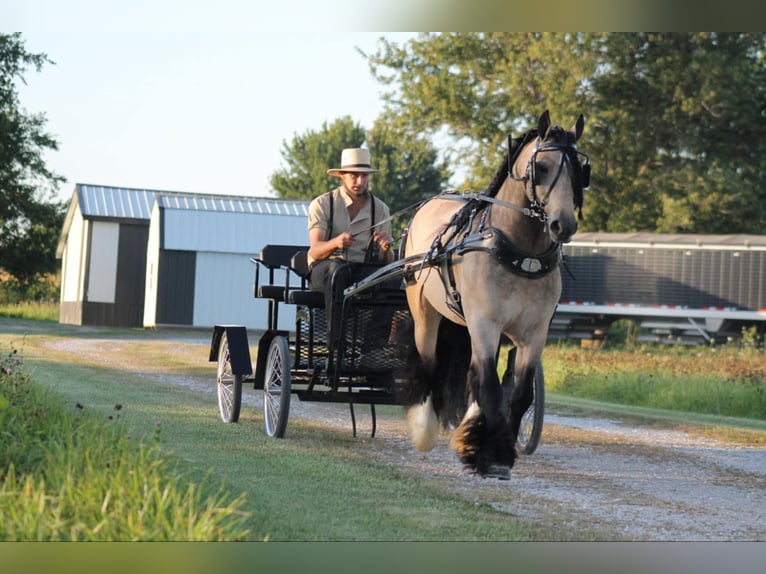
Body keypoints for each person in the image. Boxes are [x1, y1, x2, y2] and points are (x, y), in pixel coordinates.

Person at [307, 147, 394, 340]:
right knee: (336, 269)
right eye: (354, 176)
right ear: (342, 176)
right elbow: (315, 251)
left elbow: (385, 261)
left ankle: (373, 347)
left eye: (364, 176)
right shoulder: (322, 204)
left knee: (393, 278)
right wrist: (336, 243)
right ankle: (336, 342)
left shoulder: (380, 209)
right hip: (325, 271)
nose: (360, 182)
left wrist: (386, 249)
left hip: (361, 271)